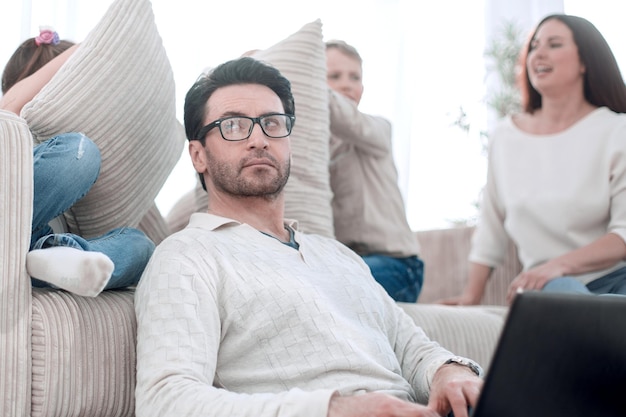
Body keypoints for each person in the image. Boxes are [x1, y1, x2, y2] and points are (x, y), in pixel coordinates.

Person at [134, 56, 483, 417]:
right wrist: (338, 409)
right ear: (198, 155)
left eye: (272, 123)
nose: (259, 139)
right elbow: (165, 401)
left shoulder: (338, 255)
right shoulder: (187, 255)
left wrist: (450, 372)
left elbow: (413, 348)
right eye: (234, 125)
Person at [439, 14, 626, 306]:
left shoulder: (616, 130)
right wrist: (470, 297)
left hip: (616, 280)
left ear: (584, 62)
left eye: (554, 44)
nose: (538, 53)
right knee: (568, 297)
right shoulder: (506, 137)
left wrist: (559, 263)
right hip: (553, 287)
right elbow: (491, 229)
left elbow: (623, 235)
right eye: (535, 45)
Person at [1, 27, 155, 297]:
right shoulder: (14, 135)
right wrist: (84, 50)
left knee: (140, 246)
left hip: (36, 242)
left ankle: (54, 258)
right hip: (8, 214)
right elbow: (7, 109)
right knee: (80, 151)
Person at [325, 40, 424, 303]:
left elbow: (347, 119)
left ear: (363, 88)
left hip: (398, 265)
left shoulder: (378, 130)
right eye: (334, 76)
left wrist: (305, 81)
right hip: (349, 260)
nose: (346, 84)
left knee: (339, 286)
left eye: (354, 77)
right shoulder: (318, 148)